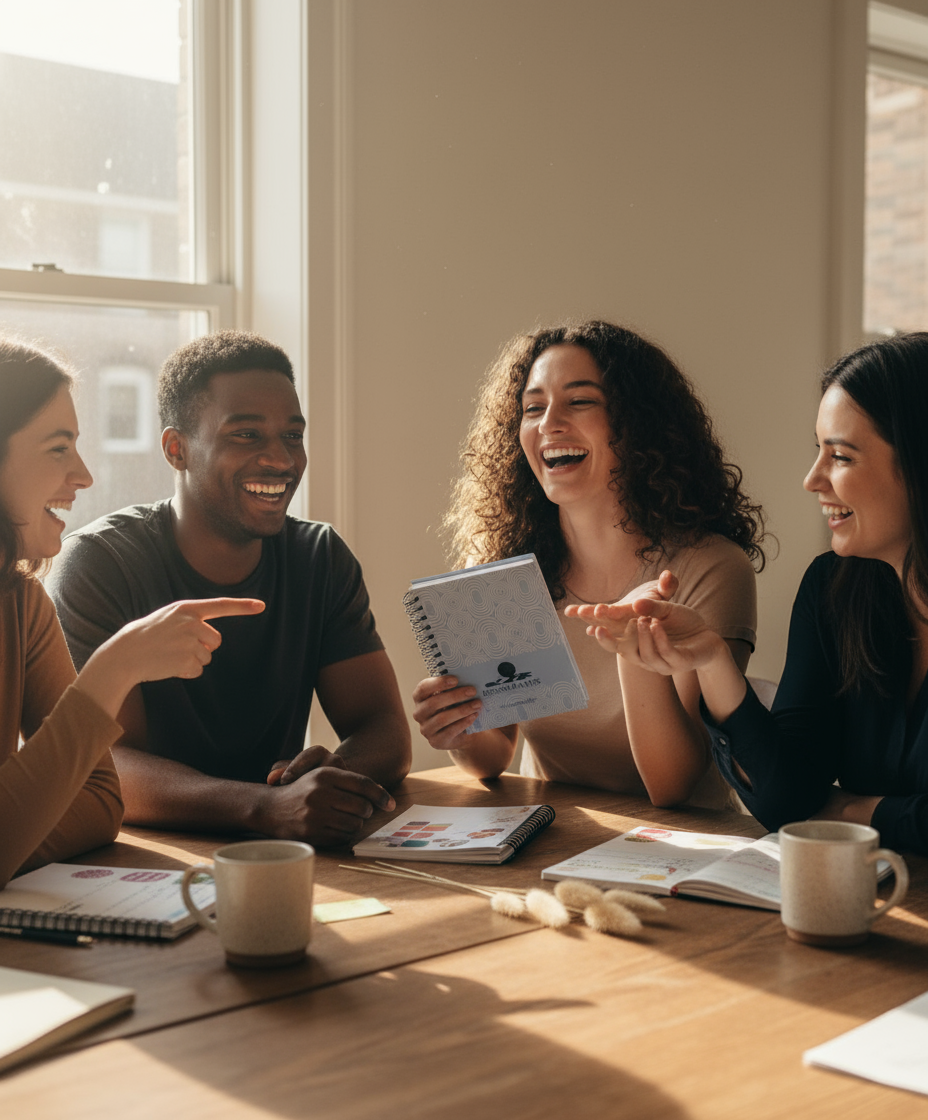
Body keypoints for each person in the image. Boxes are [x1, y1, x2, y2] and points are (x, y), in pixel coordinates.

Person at [47, 330, 411, 848]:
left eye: (292, 435)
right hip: (145, 853)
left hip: (282, 851)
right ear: (177, 449)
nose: (281, 460)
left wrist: (329, 776)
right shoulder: (101, 564)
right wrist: (263, 806)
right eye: (246, 435)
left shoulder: (319, 557)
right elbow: (103, 764)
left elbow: (384, 730)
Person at [596, 333, 928, 854]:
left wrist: (855, 811)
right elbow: (789, 803)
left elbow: (819, 814)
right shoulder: (833, 591)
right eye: (817, 450)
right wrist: (710, 660)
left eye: (840, 456)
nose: (812, 479)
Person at [412, 320, 765, 807]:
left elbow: (673, 787)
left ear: (638, 423)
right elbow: (492, 757)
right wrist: (458, 727)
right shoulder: (505, 568)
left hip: (672, 854)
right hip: (554, 841)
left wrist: (632, 650)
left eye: (579, 401)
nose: (548, 424)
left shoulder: (711, 568)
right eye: (533, 408)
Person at [0, 339, 263, 888]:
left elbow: (100, 802)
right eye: (57, 448)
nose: (84, 475)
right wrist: (113, 668)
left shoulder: (22, 605)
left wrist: (13, 834)